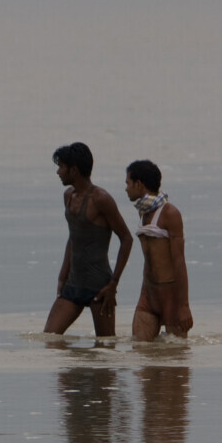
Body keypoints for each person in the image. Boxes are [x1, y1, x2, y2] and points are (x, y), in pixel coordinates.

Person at [44, 143, 133, 338]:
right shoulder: (68, 196)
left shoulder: (101, 199)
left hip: (99, 287)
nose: (58, 172)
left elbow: (126, 238)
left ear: (74, 170)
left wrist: (113, 284)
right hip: (73, 283)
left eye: (61, 167)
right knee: (50, 340)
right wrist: (62, 276)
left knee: (106, 347)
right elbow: (73, 237)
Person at [125, 159, 193, 341]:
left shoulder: (170, 213)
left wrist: (184, 305)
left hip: (171, 295)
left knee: (176, 362)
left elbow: (179, 260)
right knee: (140, 354)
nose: (126, 189)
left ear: (139, 184)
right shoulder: (143, 212)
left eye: (128, 183)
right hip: (148, 294)